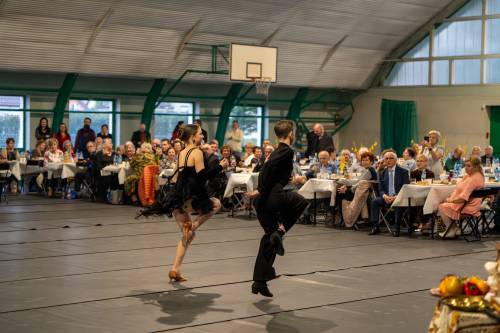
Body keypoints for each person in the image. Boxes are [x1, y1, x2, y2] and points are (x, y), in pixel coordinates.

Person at [141, 124, 228, 282]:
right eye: (201, 134)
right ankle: (192, 225)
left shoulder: (181, 153)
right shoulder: (196, 152)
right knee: (216, 204)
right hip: (190, 197)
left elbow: (178, 176)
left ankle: (175, 269)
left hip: (177, 197)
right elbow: (202, 177)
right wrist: (220, 167)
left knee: (188, 236)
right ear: (193, 136)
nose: (202, 136)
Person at [245, 120, 309, 297]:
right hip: (272, 198)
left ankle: (259, 282)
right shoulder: (286, 151)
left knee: (269, 240)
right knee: (301, 202)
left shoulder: (274, 152)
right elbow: (268, 171)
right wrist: (260, 189)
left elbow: (267, 170)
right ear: (290, 134)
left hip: (263, 203)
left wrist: (260, 190)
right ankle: (280, 231)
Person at [438, 157, 485, 239]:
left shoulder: (473, 179)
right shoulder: (476, 176)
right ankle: (455, 228)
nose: (465, 168)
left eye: (469, 166)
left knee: (441, 206)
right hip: (471, 204)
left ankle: (451, 229)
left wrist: (450, 200)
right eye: (465, 166)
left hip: (467, 206)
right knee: (443, 202)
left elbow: (463, 199)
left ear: (476, 167)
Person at [368, 151, 410, 237]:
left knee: (398, 202)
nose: (388, 160)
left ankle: (397, 228)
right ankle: (375, 226)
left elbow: (405, 188)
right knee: (374, 201)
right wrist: (384, 196)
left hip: (400, 197)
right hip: (386, 197)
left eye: (391, 158)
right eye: (386, 158)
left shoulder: (403, 172)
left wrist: (396, 196)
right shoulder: (382, 173)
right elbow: (381, 189)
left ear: (396, 160)